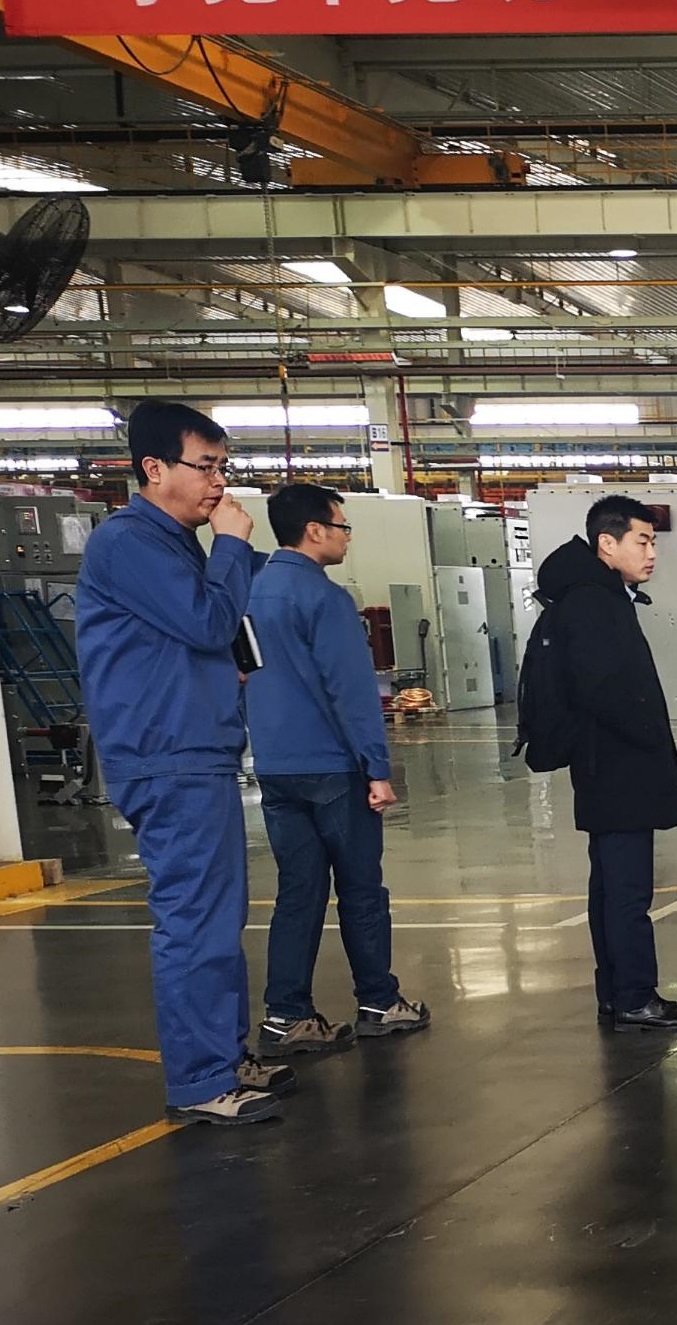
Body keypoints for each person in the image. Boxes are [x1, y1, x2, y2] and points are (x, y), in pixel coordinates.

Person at [77, 401, 294, 1124]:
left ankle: (223, 1057)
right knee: (196, 919)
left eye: (223, 466)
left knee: (216, 918)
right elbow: (206, 621)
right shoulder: (128, 541)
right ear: (154, 468)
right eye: (206, 466)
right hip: (166, 754)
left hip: (194, 748)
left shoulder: (174, 545)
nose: (218, 482)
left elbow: (199, 635)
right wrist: (230, 545)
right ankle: (201, 1080)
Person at [247, 484, 428, 1060]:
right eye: (343, 526)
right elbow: (351, 691)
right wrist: (377, 768)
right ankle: (379, 1002)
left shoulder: (248, 591)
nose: (348, 537)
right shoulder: (325, 599)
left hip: (275, 766)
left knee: (298, 892)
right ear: (315, 530)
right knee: (361, 890)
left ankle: (286, 1016)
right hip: (332, 766)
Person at [535, 497, 677, 1032]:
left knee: (610, 887)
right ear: (607, 543)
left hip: (604, 764)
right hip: (618, 764)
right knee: (627, 890)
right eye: (642, 541)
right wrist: (648, 735)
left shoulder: (594, 595)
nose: (652, 552)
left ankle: (616, 993)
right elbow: (604, 688)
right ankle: (635, 996)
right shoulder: (594, 602)